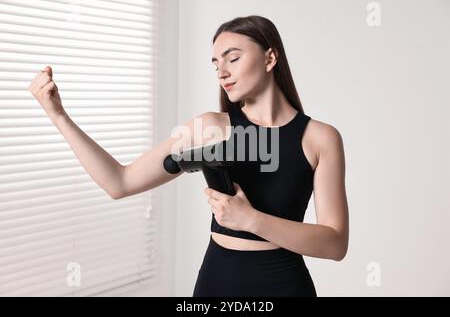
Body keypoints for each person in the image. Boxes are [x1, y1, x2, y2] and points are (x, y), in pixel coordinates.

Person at [29, 15, 348, 297]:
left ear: (269, 58)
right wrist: (59, 116)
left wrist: (251, 220)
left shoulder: (320, 138)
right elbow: (119, 182)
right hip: (216, 282)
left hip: (285, 286)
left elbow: (335, 244)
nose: (221, 72)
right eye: (215, 64)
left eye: (232, 58)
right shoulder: (210, 128)